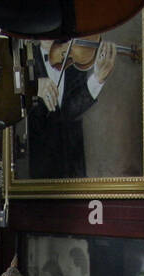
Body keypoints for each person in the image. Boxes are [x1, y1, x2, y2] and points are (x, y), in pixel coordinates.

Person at [28, 39, 117, 179]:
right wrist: (33, 87)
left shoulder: (74, 56)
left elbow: (70, 111)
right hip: (40, 160)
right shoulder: (24, 57)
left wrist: (98, 78)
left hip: (73, 160)